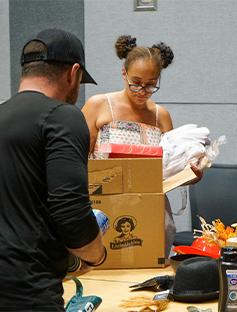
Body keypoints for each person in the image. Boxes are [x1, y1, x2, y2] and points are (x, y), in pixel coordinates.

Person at [0, 28, 106, 310]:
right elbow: (70, 211)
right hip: (28, 292)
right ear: (73, 73)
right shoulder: (62, 117)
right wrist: (96, 255)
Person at [82, 35, 200, 257]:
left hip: (151, 204)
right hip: (104, 201)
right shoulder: (99, 105)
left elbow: (168, 170)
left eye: (150, 85)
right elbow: (78, 158)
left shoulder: (160, 116)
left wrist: (189, 174)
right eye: (135, 83)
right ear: (123, 73)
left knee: (156, 253)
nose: (141, 91)